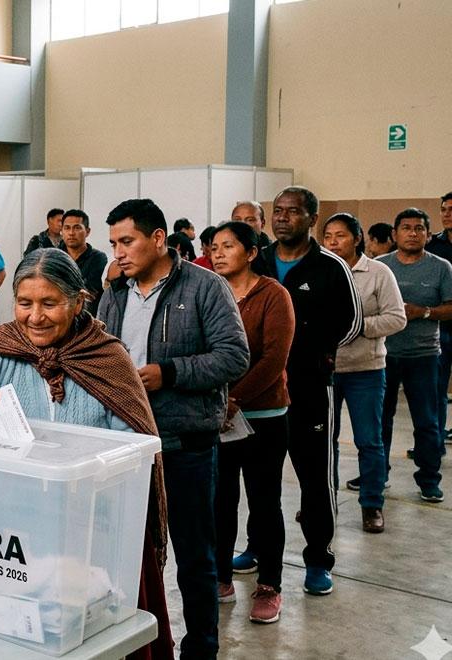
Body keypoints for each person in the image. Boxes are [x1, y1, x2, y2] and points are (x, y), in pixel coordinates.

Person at [0, 248, 174, 660]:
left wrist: (81, 477)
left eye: (49, 303)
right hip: (21, 533)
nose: (35, 316)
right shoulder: (3, 350)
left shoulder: (108, 358)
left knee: (94, 638)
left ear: (78, 301)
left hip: (94, 533)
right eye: (25, 303)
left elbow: (131, 446)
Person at [97, 198, 249, 660]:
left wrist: (169, 373)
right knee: (123, 556)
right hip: (125, 444)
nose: (118, 253)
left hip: (185, 445)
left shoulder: (205, 288)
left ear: (158, 239)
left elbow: (233, 356)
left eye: (127, 241)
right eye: (113, 244)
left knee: (194, 557)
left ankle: (201, 648)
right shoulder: (116, 292)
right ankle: (134, 645)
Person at [260, 186, 362, 596]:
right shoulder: (259, 261)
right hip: (261, 394)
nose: (282, 218)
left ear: (312, 219)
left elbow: (351, 323)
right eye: (278, 211)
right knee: (260, 482)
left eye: (293, 211)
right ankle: (255, 547)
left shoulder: (330, 267)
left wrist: (316, 354)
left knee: (315, 480)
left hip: (309, 389)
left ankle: (318, 559)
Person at [209, 221, 294, 624]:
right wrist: (217, 401)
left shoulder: (273, 295)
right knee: (220, 501)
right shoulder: (211, 292)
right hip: (217, 418)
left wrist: (235, 398)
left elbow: (274, 359)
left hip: (263, 416)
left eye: (229, 246)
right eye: (214, 246)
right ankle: (221, 577)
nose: (219, 253)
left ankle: (269, 586)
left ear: (251, 252)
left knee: (264, 502)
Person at [323, 213, 405, 532]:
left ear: (357, 238)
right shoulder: (320, 271)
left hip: (365, 370)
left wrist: (358, 327)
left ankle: (371, 505)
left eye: (340, 235)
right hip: (325, 371)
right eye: (328, 236)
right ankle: (322, 500)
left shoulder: (378, 272)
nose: (332, 242)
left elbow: (396, 318)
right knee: (323, 441)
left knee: (369, 440)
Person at [376, 208, 450, 503]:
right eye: (406, 228)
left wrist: (424, 312)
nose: (412, 233)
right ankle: (376, 474)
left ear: (428, 236)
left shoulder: (441, 268)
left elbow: (451, 306)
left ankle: (429, 479)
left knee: (427, 421)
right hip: (382, 356)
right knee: (380, 419)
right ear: (394, 235)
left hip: (424, 356)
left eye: (419, 228)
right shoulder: (380, 266)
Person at [422, 192, 452, 448]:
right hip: (440, 328)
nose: (447, 214)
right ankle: (435, 439)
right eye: (443, 209)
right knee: (437, 389)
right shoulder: (433, 247)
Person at [59, 209, 108, 314]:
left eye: (77, 228)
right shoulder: (54, 257)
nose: (71, 233)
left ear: (87, 231)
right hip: (59, 316)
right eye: (67, 228)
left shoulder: (98, 258)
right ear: (61, 231)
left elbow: (90, 293)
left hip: (87, 317)